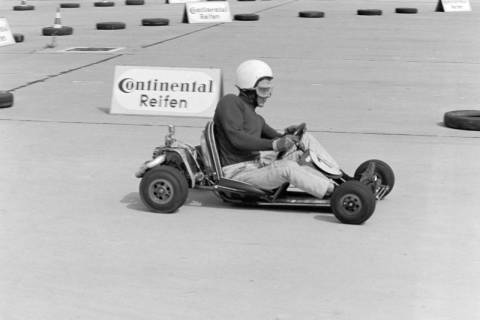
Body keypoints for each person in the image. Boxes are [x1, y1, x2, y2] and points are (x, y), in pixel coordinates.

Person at [213, 59, 369, 199]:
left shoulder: (257, 118)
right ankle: (339, 193)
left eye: (269, 90)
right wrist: (275, 145)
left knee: (304, 140)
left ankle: (346, 180)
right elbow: (236, 139)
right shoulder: (230, 102)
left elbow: (276, 139)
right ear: (249, 89)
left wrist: (288, 136)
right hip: (239, 174)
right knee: (288, 168)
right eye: (263, 90)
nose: (267, 96)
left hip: (258, 166)